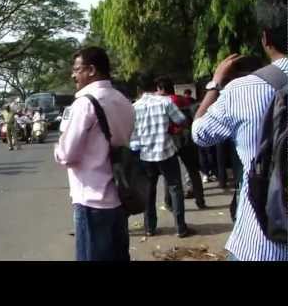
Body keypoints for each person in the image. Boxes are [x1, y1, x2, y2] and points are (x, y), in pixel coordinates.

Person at [192, 0, 288, 261]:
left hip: (261, 243)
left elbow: (199, 134)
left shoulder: (243, 88)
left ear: (266, 38)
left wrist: (215, 84)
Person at [54, 47, 135, 261]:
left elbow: (66, 154)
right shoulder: (123, 100)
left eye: (76, 70)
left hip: (91, 201)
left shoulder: (85, 103)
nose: (73, 75)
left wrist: (57, 149)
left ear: (91, 70)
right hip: (119, 197)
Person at [130, 72, 193, 238]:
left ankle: (150, 228)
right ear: (155, 87)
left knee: (149, 191)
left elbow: (132, 133)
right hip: (167, 152)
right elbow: (181, 120)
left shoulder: (134, 107)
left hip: (145, 155)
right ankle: (180, 228)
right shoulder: (165, 102)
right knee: (175, 189)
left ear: (139, 89)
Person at [155, 77, 206, 209]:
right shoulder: (184, 99)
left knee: (169, 173)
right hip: (186, 137)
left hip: (170, 138)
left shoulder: (163, 102)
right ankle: (200, 200)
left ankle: (168, 202)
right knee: (193, 171)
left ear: (162, 89)